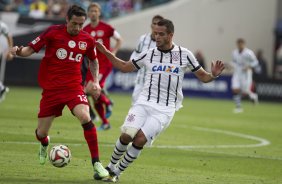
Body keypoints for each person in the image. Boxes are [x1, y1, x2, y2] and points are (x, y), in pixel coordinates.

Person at [94, 19, 225, 182]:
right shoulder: (149, 53)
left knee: (140, 139)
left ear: (170, 35)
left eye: (161, 34)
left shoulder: (185, 55)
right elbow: (124, 67)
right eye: (155, 33)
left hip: (165, 109)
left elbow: (204, 77)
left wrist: (214, 75)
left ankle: (116, 172)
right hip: (143, 103)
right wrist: (106, 51)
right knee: (127, 135)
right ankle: (110, 166)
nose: (157, 37)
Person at [9, 5, 109, 179]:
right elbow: (29, 50)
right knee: (41, 133)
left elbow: (93, 61)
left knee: (85, 117)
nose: (77, 28)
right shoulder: (52, 33)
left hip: (73, 87)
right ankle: (44, 143)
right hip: (52, 90)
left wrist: (96, 82)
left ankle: (97, 164)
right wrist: (18, 51)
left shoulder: (87, 39)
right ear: (67, 20)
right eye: (74, 24)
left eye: (80, 24)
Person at [83, 2, 122, 131]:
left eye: (96, 11)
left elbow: (119, 39)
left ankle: (107, 102)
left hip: (104, 64)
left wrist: (114, 52)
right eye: (91, 11)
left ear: (99, 13)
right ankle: (105, 122)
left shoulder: (107, 27)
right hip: (92, 65)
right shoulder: (86, 29)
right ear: (88, 13)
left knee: (90, 90)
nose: (93, 13)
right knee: (93, 95)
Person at [130, 14, 164, 105]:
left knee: (152, 107)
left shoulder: (165, 43)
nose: (156, 26)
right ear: (151, 25)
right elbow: (135, 55)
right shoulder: (143, 39)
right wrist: (130, 64)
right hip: (141, 79)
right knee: (135, 104)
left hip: (156, 82)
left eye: (159, 24)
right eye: (154, 23)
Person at [231, 38, 259, 113]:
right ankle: (238, 107)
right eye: (238, 44)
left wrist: (249, 66)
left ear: (244, 44)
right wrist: (230, 65)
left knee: (245, 91)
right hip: (237, 73)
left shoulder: (249, 53)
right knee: (235, 88)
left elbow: (256, 62)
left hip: (246, 74)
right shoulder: (234, 52)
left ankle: (253, 96)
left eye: (241, 44)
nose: (240, 45)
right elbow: (234, 62)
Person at [0, 20, 13, 102]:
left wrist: (10, 51)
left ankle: (1, 88)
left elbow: (9, 36)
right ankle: (1, 88)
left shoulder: (1, 25)